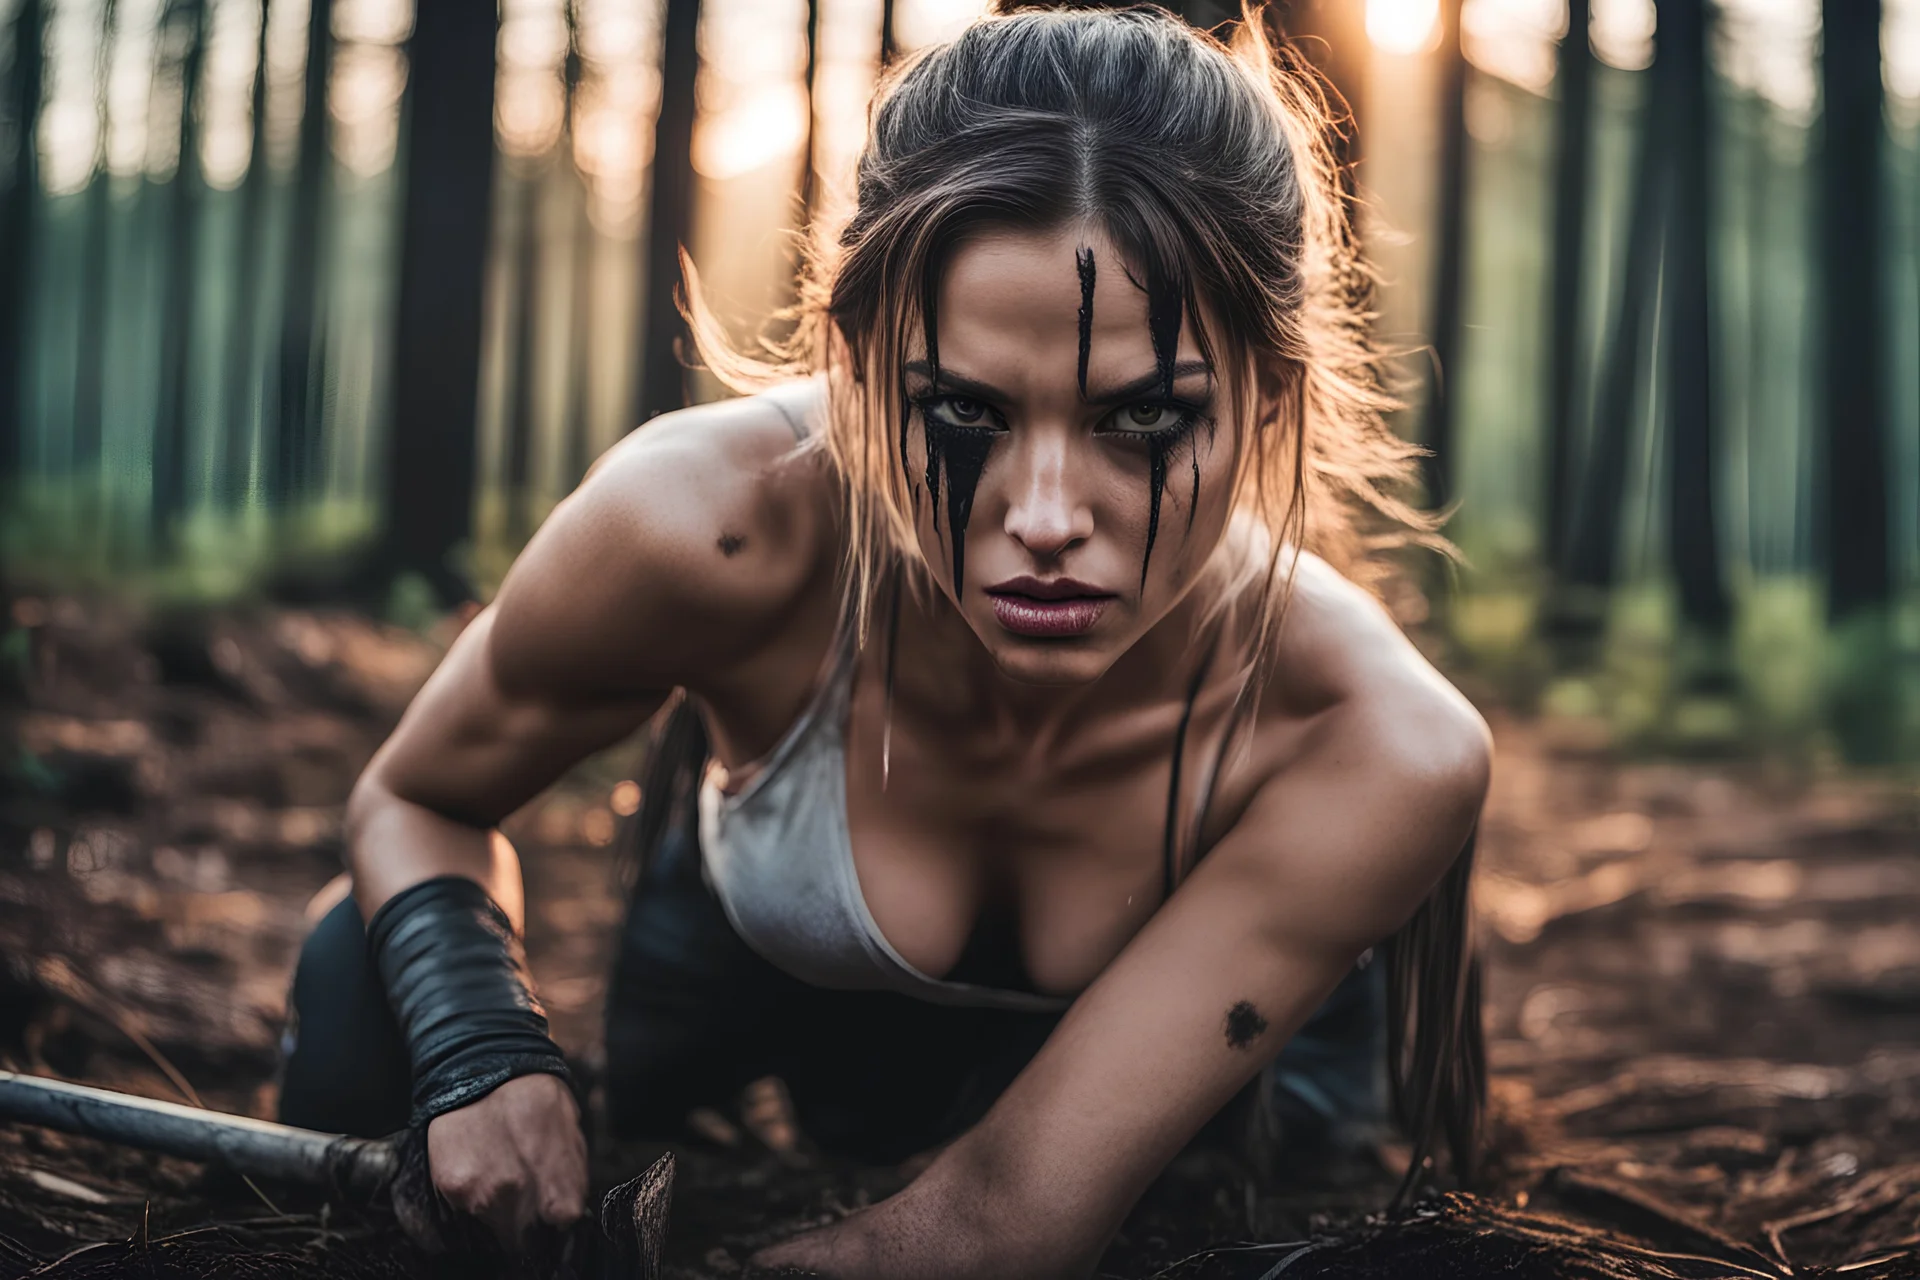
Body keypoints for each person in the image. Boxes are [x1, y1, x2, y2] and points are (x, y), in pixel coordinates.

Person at [275, 3, 1491, 1275]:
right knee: (363, 973)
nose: (1044, 518)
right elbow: (415, 793)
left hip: (1231, 1117)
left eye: (1145, 416)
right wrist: (482, 1046)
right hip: (775, 1031)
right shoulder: (703, 526)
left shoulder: (1373, 737)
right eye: (961, 406)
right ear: (857, 360)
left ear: (1268, 396)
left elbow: (996, 1227)